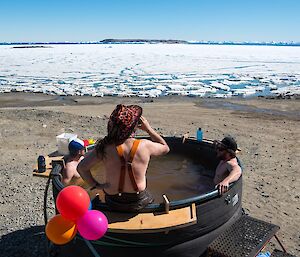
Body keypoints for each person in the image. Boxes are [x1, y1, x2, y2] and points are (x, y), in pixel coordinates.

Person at [77, 104, 170, 212]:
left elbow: (81, 168)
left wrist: (96, 185)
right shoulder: (145, 145)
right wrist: (148, 129)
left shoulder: (104, 147)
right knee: (150, 198)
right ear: (134, 127)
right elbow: (165, 148)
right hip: (138, 199)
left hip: (113, 201)